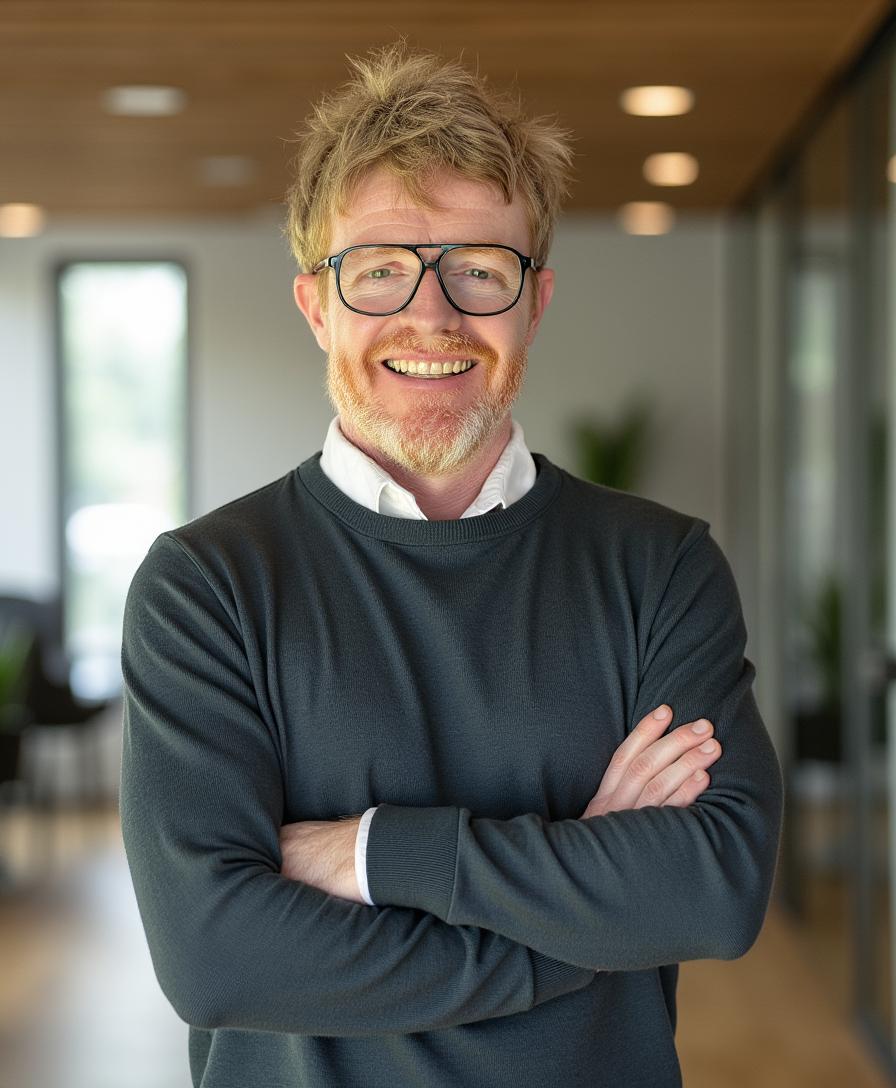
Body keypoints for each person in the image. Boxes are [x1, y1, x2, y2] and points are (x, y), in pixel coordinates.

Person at [120, 41, 783, 1088]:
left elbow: (711, 889)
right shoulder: (209, 586)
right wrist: (582, 889)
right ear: (316, 304)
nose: (430, 315)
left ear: (535, 298)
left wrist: (375, 855)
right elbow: (217, 956)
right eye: (379, 270)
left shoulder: (658, 566)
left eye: (478, 268)